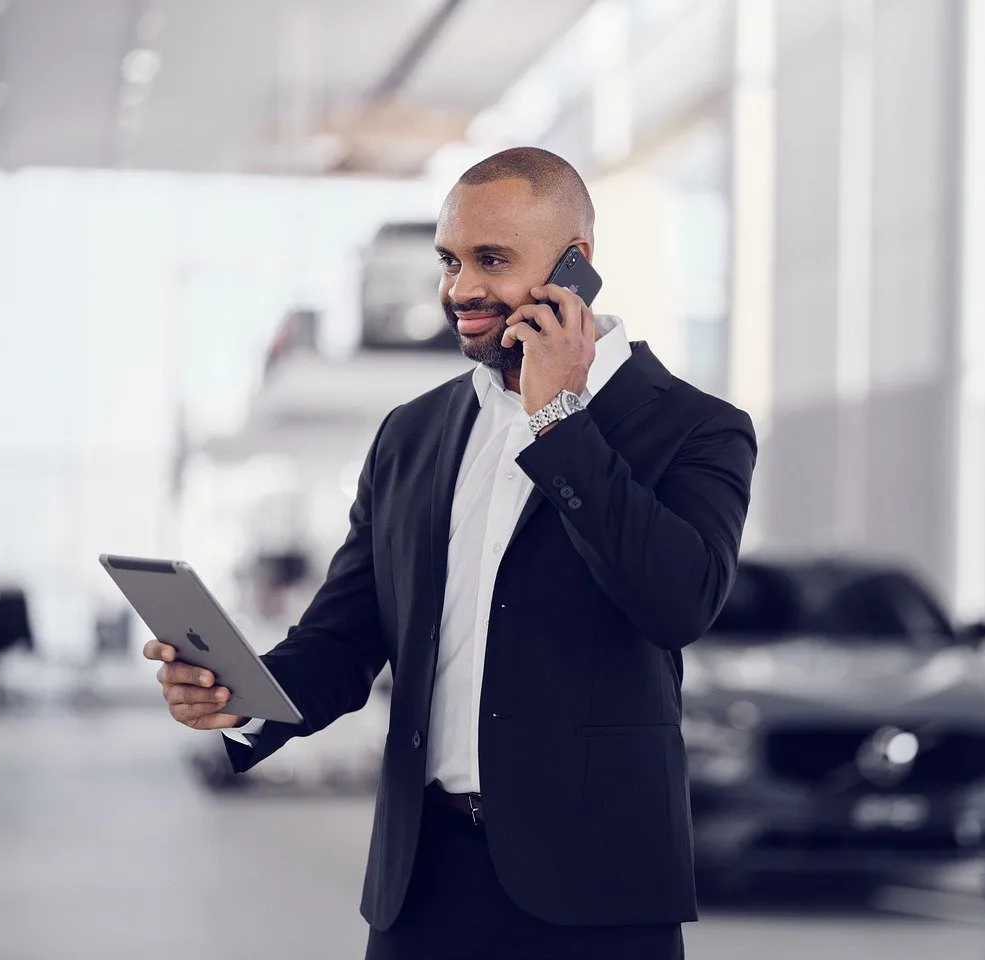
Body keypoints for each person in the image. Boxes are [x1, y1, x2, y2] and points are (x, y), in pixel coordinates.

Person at [144, 146, 758, 959]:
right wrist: (243, 697)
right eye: (450, 260)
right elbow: (345, 638)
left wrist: (562, 422)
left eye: (491, 260)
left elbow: (677, 602)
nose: (461, 289)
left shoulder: (694, 427)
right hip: (422, 889)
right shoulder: (413, 434)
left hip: (597, 896)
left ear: (577, 265)